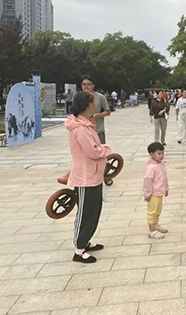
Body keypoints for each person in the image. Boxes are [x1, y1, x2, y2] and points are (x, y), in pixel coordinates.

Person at [65, 92, 111, 264]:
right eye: (93, 103)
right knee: (85, 213)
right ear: (87, 105)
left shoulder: (87, 125)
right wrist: (106, 150)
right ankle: (79, 249)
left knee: (94, 211)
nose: (95, 106)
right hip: (85, 177)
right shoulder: (80, 129)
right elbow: (93, 151)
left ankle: (86, 241)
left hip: (94, 175)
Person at [143, 142, 169, 240]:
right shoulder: (151, 167)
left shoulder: (161, 164)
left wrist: (166, 188)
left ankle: (156, 225)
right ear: (151, 154)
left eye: (162, 153)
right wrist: (147, 194)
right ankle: (152, 231)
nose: (161, 155)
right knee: (152, 212)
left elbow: (164, 178)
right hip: (153, 194)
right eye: (158, 153)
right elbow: (147, 181)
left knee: (158, 210)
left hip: (160, 192)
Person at [81, 76, 111, 144]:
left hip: (98, 130)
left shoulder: (100, 97)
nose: (86, 86)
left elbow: (108, 111)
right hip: (83, 131)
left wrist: (97, 115)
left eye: (89, 84)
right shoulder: (78, 98)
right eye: (84, 84)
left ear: (93, 86)